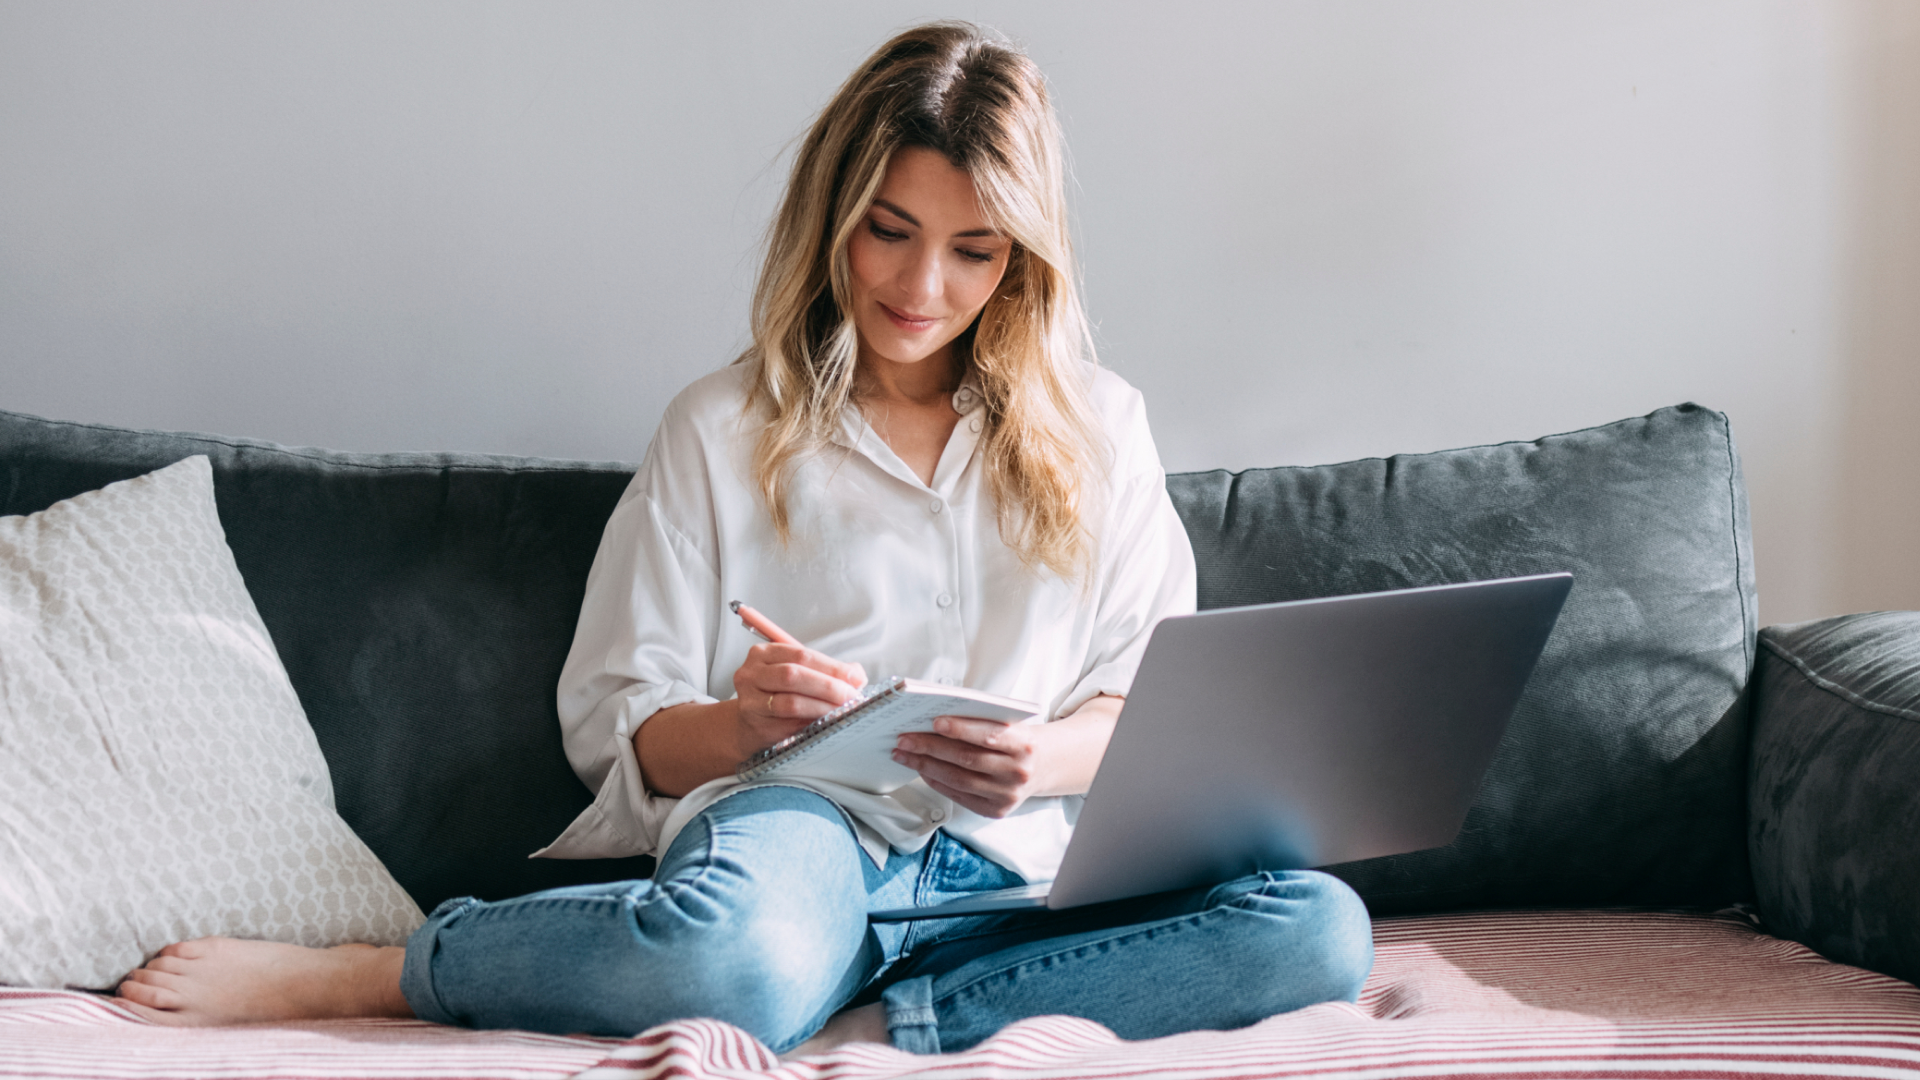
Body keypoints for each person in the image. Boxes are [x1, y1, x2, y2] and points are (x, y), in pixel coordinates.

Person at [113, 21, 1373, 1055]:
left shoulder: (1104, 428)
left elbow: (1143, 694)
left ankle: (911, 1012)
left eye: (973, 250)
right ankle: (399, 970)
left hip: (1026, 872)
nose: (921, 287)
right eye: (890, 229)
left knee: (1318, 930)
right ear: (834, 213)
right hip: (802, 837)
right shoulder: (720, 430)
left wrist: (1037, 758)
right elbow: (618, 714)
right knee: (728, 952)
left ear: (1023, 262)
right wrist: (749, 726)